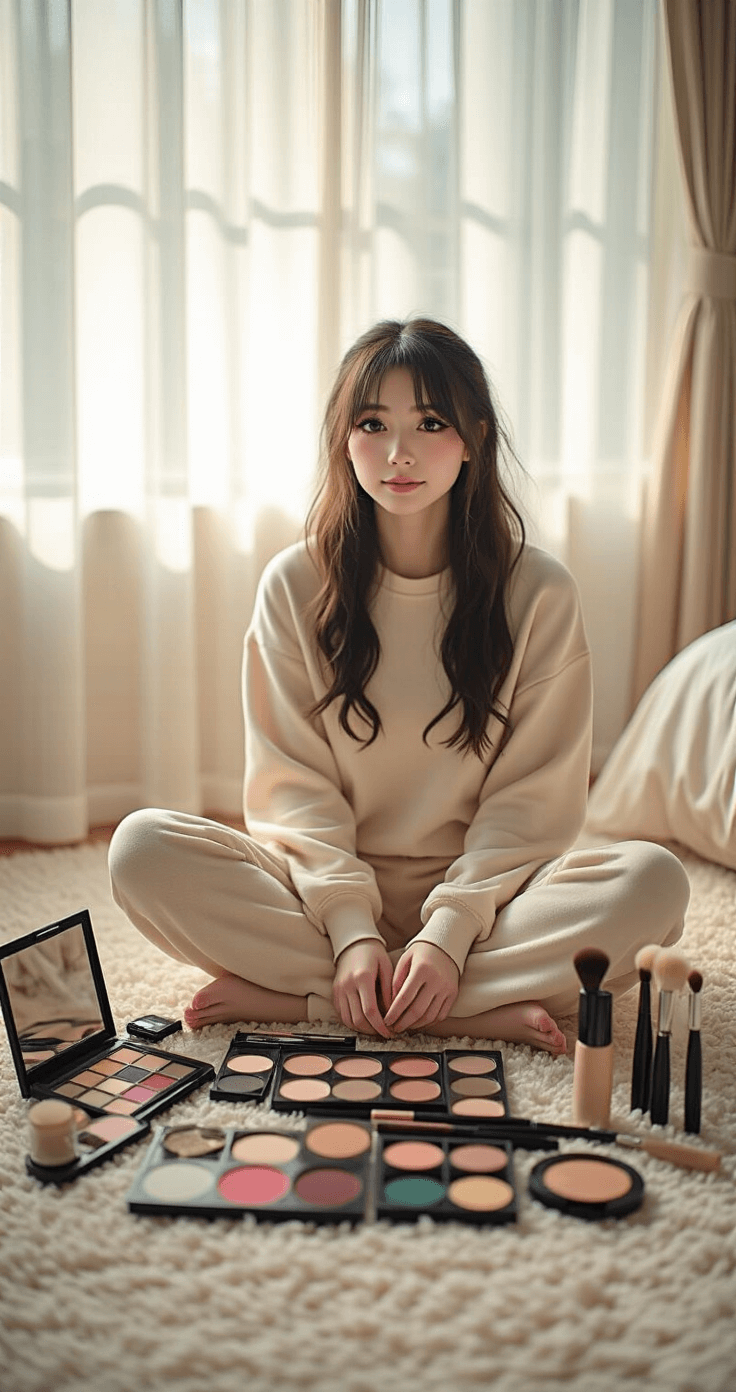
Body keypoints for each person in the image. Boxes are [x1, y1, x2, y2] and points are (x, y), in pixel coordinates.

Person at [109, 317, 689, 1052]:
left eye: (431, 422)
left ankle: (312, 1002)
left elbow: (531, 805)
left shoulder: (539, 591)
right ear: (343, 439)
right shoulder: (295, 584)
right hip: (319, 900)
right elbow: (294, 791)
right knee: (140, 850)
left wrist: (447, 935)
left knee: (655, 884)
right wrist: (353, 932)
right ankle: (445, 1009)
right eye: (373, 423)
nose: (398, 453)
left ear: (474, 435)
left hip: (492, 907)